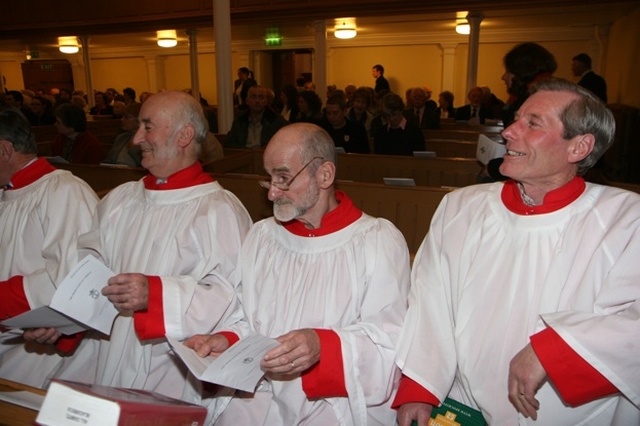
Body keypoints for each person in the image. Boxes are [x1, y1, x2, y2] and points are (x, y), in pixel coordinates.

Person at [394, 78, 640, 425]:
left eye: (532, 123)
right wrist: (420, 386)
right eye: (516, 119)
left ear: (579, 147)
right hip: (463, 407)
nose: (509, 131)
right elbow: (429, 299)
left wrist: (557, 350)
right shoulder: (461, 207)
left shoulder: (625, 219)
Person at [186, 122, 410, 425]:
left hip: (332, 405)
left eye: (283, 177)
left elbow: (389, 341)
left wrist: (322, 347)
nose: (272, 193)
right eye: (269, 179)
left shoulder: (376, 240)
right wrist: (227, 339)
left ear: (325, 175)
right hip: (257, 399)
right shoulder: (263, 236)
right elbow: (245, 314)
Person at [50, 90, 253, 406]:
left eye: (147, 127)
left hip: (167, 362)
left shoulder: (217, 210)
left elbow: (232, 295)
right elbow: (87, 266)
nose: (135, 139)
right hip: (104, 349)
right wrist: (62, 320)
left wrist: (156, 295)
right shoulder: (120, 199)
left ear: (184, 135)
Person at [0, 107, 98, 389]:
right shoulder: (7, 193)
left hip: (45, 351)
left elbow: (74, 278)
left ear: (5, 150)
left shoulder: (63, 191)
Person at [483, 42, 557, 182]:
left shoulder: (533, 101)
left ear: (522, 72)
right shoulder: (546, 93)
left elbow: (533, 155)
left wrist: (494, 168)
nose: (503, 77)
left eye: (508, 71)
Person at [224, 85, 288, 149]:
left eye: (261, 97)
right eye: (253, 97)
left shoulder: (276, 120)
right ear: (247, 101)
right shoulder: (240, 121)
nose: (257, 101)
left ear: (266, 102)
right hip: (244, 156)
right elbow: (229, 143)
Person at [103, 102, 143, 166]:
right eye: (123, 116)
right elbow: (109, 160)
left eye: (127, 117)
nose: (122, 119)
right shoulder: (121, 138)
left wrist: (132, 146)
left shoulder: (147, 140)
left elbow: (143, 164)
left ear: (139, 120)